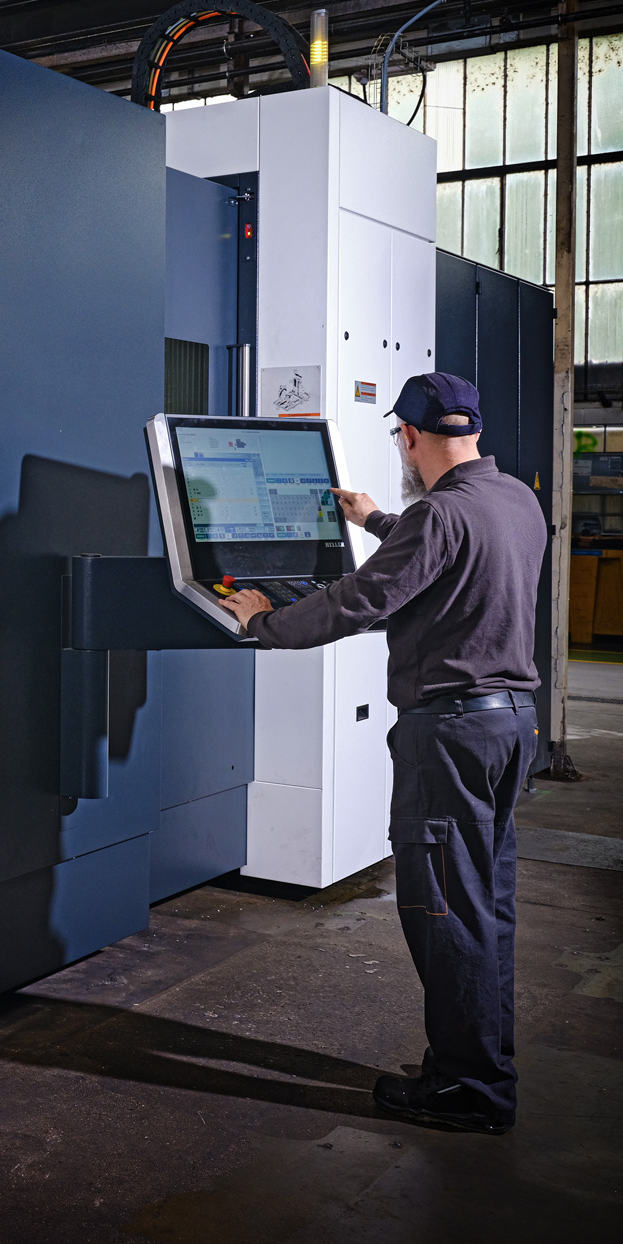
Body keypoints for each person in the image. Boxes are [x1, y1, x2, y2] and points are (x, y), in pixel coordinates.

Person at [216, 373, 547, 1136]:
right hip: (510, 728)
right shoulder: (512, 499)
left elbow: (355, 602)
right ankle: (480, 1070)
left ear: (408, 436)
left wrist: (264, 621)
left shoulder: (437, 517)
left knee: (446, 913)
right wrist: (377, 521)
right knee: (484, 908)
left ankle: (470, 1090)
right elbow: (449, 546)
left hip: (453, 736)